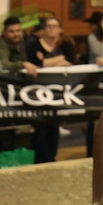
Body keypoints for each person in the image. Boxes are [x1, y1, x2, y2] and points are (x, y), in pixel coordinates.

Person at [26, 17, 76, 163]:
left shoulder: (65, 44)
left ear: (60, 29)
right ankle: (40, 159)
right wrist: (58, 60)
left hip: (58, 90)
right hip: (37, 89)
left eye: (54, 26)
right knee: (40, 125)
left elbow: (70, 63)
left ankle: (51, 157)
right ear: (44, 29)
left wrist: (46, 62)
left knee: (54, 123)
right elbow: (34, 63)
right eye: (48, 26)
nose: (51, 29)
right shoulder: (33, 44)